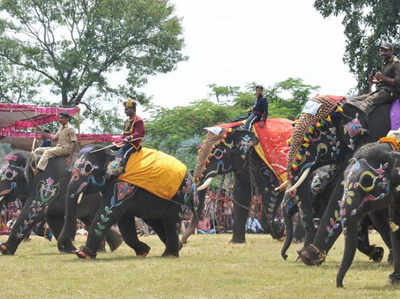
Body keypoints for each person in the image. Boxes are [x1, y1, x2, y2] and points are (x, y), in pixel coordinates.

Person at [353, 42, 400, 114]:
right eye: (381, 51)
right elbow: (383, 81)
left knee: (368, 101)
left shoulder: (396, 63)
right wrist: (373, 80)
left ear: (391, 51)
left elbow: (397, 82)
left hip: (391, 93)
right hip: (381, 91)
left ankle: (358, 122)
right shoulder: (385, 63)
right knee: (356, 100)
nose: (383, 53)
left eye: (385, 51)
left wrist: (382, 77)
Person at [118, 98, 145, 168]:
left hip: (133, 144)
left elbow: (139, 133)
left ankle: (120, 170)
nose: (125, 111)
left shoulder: (139, 120)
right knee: (112, 149)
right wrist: (119, 139)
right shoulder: (126, 121)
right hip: (125, 142)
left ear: (133, 110)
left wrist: (129, 137)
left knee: (123, 153)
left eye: (127, 109)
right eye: (125, 109)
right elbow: (124, 134)